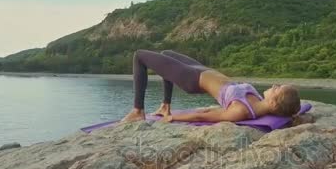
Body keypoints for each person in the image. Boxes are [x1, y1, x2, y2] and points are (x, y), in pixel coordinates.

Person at [120, 49, 301, 124]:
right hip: (203, 70)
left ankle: (138, 111)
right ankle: (165, 105)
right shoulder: (261, 102)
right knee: (166, 53)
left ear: (275, 103)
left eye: (278, 88)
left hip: (192, 79)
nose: (275, 85)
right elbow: (293, 108)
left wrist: (173, 119)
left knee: (139, 56)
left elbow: (204, 116)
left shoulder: (241, 111)